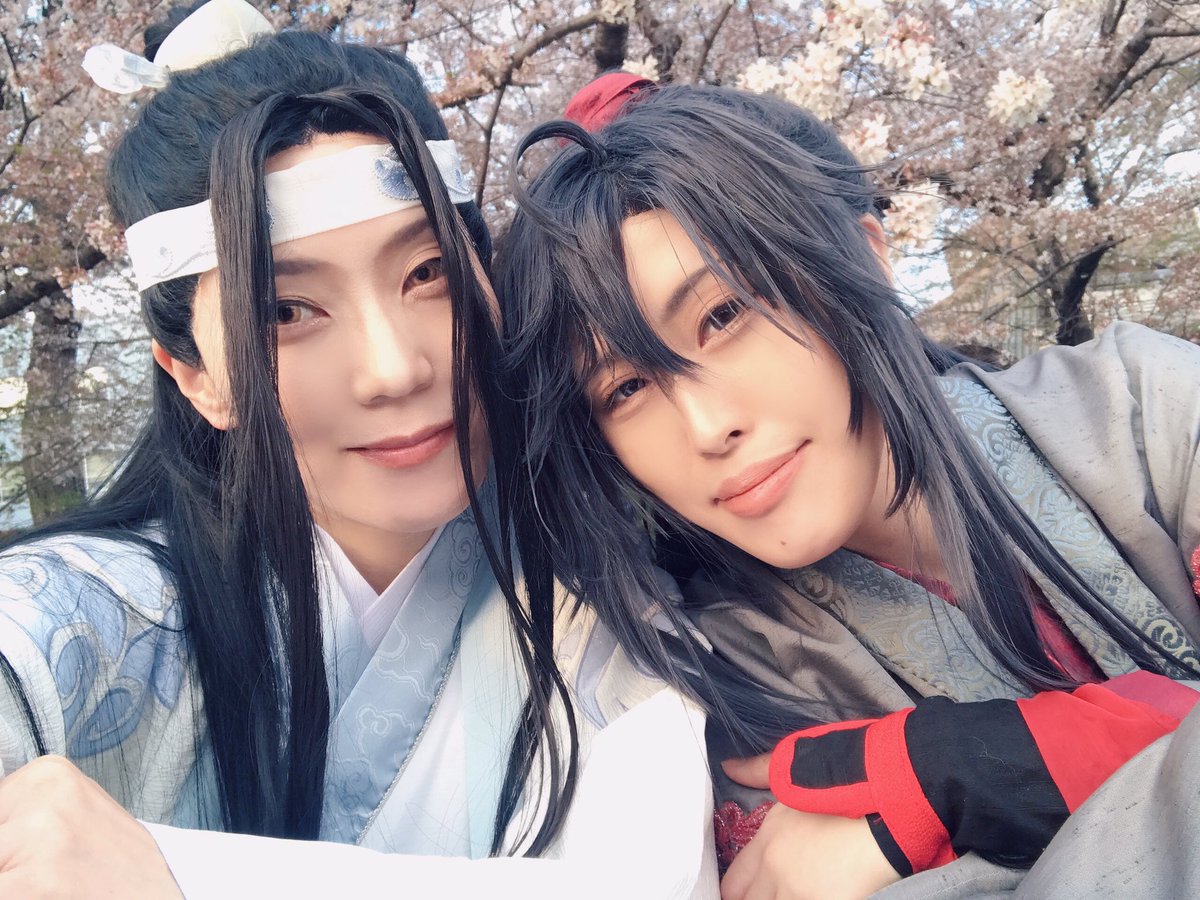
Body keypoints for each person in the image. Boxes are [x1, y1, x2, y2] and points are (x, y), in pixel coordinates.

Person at [0, 4, 717, 897]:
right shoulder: (74, 622)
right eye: (286, 310)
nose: (394, 367)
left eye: (429, 273)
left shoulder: (603, 589)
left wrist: (187, 878)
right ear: (195, 377)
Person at [494, 80, 1200, 899]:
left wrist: (1008, 762)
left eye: (723, 316)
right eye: (624, 389)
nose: (705, 426)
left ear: (866, 255)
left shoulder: (1140, 406)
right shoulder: (726, 690)